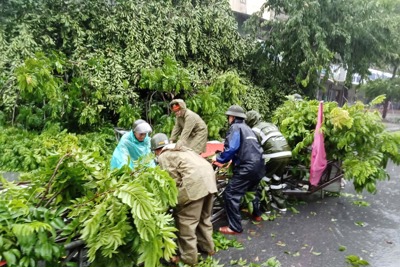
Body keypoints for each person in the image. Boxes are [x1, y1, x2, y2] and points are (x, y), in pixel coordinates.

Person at [151, 133, 217, 265]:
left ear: (157, 150)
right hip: (210, 182)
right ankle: (208, 248)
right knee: (204, 219)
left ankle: (188, 259)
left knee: (186, 224)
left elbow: (172, 181)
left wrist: (173, 203)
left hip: (194, 185)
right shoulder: (182, 149)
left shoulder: (164, 156)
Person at [214, 105, 265, 235]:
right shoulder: (248, 129)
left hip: (247, 166)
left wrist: (219, 158)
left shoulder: (235, 127)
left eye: (229, 117)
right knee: (252, 191)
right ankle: (257, 215)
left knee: (230, 194)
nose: (228, 119)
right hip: (259, 165)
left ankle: (235, 227)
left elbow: (232, 148)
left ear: (232, 117)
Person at [246, 110, 292, 212]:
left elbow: (255, 149)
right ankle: (282, 206)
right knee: (276, 179)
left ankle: (266, 208)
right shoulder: (270, 125)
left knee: (263, 181)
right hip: (287, 153)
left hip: (273, 155)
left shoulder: (254, 130)